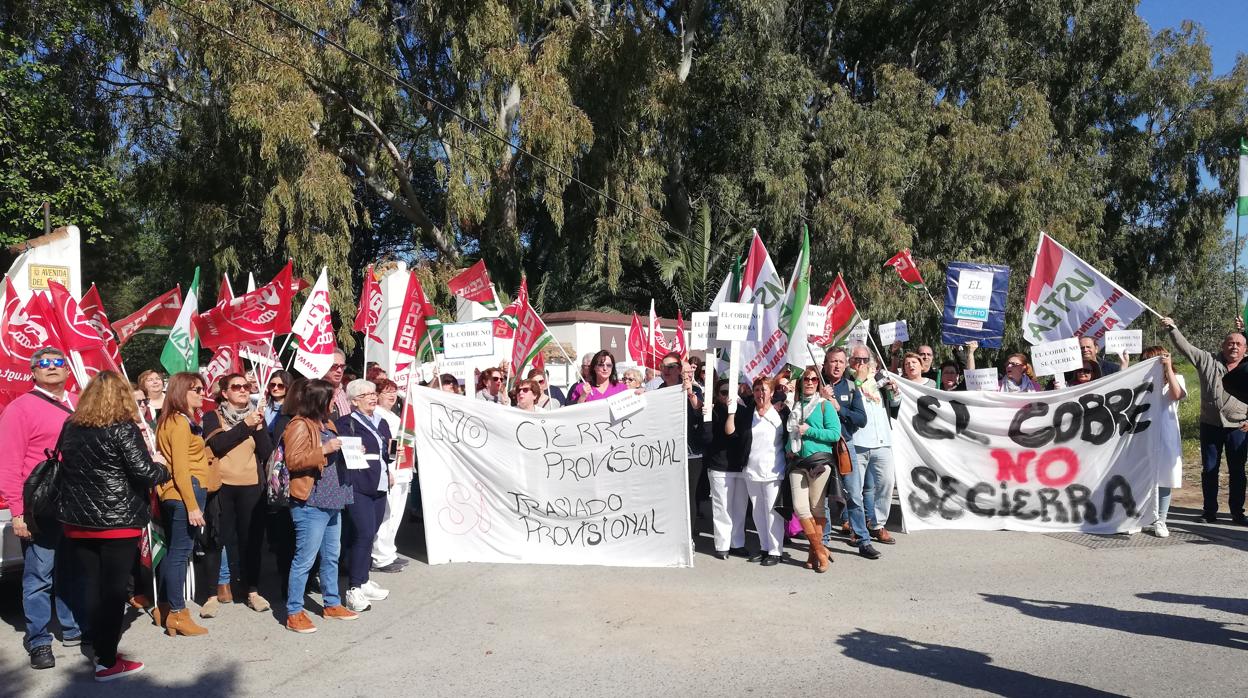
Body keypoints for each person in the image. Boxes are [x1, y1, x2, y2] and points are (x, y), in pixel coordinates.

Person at [56, 371, 169, 681]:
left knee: (92, 587)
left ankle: (99, 647)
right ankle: (106, 660)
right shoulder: (123, 428)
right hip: (116, 521)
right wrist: (162, 466)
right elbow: (145, 473)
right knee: (114, 590)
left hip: (77, 520)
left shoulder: (70, 426)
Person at [0, 347, 83, 669]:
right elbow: (8, 464)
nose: (50, 367)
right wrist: (18, 513)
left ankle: (73, 627)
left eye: (57, 362)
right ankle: (39, 641)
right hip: (41, 507)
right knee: (39, 576)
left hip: (77, 505)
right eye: (42, 364)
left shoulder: (80, 403)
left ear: (67, 370)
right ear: (33, 372)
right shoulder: (20, 409)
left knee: (73, 570)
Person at [284, 379, 358, 632]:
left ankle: (331, 603)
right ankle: (294, 611)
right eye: (331, 398)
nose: (335, 403)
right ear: (320, 400)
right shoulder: (299, 425)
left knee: (331, 557)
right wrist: (324, 449)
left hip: (333, 500)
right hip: (311, 501)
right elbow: (293, 461)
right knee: (305, 559)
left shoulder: (327, 423)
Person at [1162, 317, 1248, 524]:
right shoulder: (1207, 360)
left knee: (1237, 471)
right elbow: (1185, 347)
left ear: (1245, 349)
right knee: (1210, 469)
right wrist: (1172, 329)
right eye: (1230, 342)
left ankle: (1237, 512)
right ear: (1222, 346)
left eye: (1238, 343)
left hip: (1239, 427)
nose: (1233, 346)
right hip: (1210, 425)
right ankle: (1209, 512)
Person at [202, 373, 274, 613]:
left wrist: (259, 427)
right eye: (237, 387)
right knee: (217, 539)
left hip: (251, 487)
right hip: (222, 487)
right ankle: (211, 594)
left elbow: (266, 452)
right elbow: (219, 445)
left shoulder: (256, 416)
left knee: (251, 540)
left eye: (246, 386)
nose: (243, 390)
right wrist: (246, 426)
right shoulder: (213, 416)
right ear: (225, 392)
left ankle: (252, 590)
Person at [154, 372, 217, 636]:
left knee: (174, 551)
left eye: (202, 388)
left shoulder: (172, 420)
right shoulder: (179, 422)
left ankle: (167, 608)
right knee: (180, 552)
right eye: (196, 389)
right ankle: (178, 613)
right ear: (182, 392)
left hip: (177, 492)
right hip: (185, 492)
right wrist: (192, 505)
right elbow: (179, 467)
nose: (202, 393)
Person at [337, 379, 393, 613]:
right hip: (358, 483)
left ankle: (364, 578)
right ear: (354, 400)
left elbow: (387, 450)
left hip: (380, 482)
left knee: (373, 532)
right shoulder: (345, 422)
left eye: (373, 393)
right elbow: (340, 448)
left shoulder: (382, 421)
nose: (372, 397)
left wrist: (392, 458)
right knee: (363, 532)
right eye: (366, 394)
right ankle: (353, 588)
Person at [819, 346, 880, 559]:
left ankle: (863, 541)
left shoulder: (852, 387)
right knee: (823, 498)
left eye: (840, 362)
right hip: (821, 449)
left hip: (846, 447)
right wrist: (820, 397)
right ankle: (823, 543)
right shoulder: (815, 384)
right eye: (832, 361)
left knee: (854, 496)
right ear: (825, 364)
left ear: (846, 365)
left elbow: (861, 419)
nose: (836, 366)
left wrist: (838, 408)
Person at [724, 376, 788, 565]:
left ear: (772, 392)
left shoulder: (780, 414)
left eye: (764, 389)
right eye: (758, 389)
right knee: (758, 512)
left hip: (774, 470)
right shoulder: (748, 414)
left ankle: (776, 551)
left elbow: (790, 436)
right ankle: (764, 547)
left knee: (772, 512)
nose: (761, 393)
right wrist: (731, 410)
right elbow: (731, 433)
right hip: (752, 469)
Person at [787, 366, 841, 572]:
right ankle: (821, 551)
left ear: (818, 383)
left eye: (813, 379)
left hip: (819, 462)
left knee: (817, 508)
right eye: (806, 379)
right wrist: (788, 448)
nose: (809, 382)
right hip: (798, 462)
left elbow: (834, 434)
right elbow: (790, 435)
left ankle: (812, 553)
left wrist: (810, 431)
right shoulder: (795, 407)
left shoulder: (824, 405)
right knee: (801, 508)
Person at [1134, 345, 1186, 537]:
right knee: (1143, 476)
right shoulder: (1141, 382)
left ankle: (1160, 520)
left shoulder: (1175, 379)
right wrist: (1124, 365)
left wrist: (1169, 367)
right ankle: (1141, 517)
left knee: (1165, 477)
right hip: (1144, 434)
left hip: (1166, 436)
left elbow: (1176, 394)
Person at [850, 346, 899, 545]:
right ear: (850, 361)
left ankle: (877, 524)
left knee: (886, 484)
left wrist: (894, 392)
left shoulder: (880, 380)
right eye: (856, 359)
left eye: (864, 359)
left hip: (882, 441)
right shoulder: (848, 381)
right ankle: (857, 528)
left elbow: (895, 406)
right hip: (858, 441)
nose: (861, 363)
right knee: (855, 490)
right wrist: (858, 380)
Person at [703, 379, 748, 559]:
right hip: (720, 467)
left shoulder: (743, 411)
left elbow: (742, 436)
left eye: (730, 392)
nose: (727, 396)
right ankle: (722, 545)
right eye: (723, 392)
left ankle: (737, 543)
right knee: (722, 507)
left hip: (740, 466)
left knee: (739, 507)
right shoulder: (712, 411)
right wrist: (705, 414)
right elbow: (707, 439)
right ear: (717, 394)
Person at [370, 378, 411, 574]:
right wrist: (391, 463)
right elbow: (386, 445)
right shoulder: (378, 415)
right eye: (387, 392)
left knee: (395, 515)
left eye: (394, 391)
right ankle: (380, 556)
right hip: (392, 470)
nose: (392, 395)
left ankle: (389, 551)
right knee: (387, 514)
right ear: (377, 395)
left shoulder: (391, 414)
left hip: (403, 469)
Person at [324, 348, 351, 419]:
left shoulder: (345, 392)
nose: (339, 370)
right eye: (334, 366)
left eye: (342, 366)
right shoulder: (316, 392)